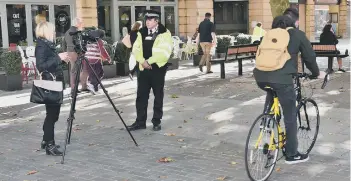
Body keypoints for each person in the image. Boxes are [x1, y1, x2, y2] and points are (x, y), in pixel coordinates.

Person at [253, 8, 325, 164]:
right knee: (290, 115)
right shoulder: (297, 34)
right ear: (296, 22)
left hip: (260, 77)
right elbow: (310, 57)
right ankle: (292, 154)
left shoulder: (270, 34)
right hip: (282, 80)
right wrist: (316, 73)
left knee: (272, 96)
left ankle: (267, 129)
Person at [127, 10, 172, 131]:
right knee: (141, 96)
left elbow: (165, 52)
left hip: (158, 69)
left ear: (156, 21)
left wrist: (150, 61)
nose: (147, 22)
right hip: (143, 69)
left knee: (158, 96)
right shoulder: (141, 32)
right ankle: (140, 122)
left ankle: (156, 121)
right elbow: (136, 49)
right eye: (146, 19)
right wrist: (142, 61)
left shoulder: (165, 33)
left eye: (150, 19)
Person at [35, 22, 69, 156]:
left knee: (53, 115)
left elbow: (51, 62)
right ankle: (50, 144)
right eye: (53, 31)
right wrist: (58, 58)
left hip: (54, 84)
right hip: (50, 85)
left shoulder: (47, 44)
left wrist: (60, 59)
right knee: (52, 115)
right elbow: (41, 66)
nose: (55, 33)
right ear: (46, 31)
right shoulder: (42, 46)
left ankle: (46, 140)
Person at [64, 17, 89, 94]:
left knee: (73, 71)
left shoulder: (67, 32)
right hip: (75, 52)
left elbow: (64, 44)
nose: (82, 24)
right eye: (81, 22)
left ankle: (74, 88)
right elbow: (79, 44)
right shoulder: (77, 32)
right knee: (77, 71)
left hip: (70, 52)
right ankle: (75, 88)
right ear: (77, 23)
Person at [85, 28, 111, 94]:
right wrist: (108, 58)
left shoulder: (88, 40)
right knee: (100, 73)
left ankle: (94, 88)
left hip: (88, 60)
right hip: (95, 61)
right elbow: (102, 50)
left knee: (92, 74)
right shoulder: (98, 40)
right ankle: (92, 86)